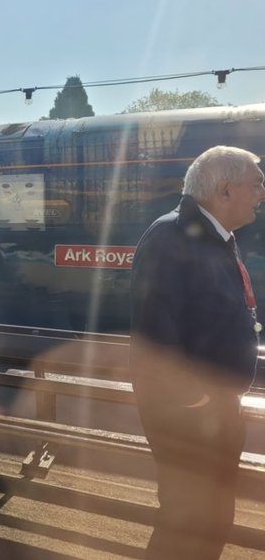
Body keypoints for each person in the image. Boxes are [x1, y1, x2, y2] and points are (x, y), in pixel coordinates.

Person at [130, 146, 265, 559]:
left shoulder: (213, 236)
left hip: (217, 412)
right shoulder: (171, 236)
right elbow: (155, 332)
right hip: (189, 420)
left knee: (213, 521)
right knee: (187, 525)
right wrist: (193, 400)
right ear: (225, 191)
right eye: (256, 183)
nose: (262, 192)